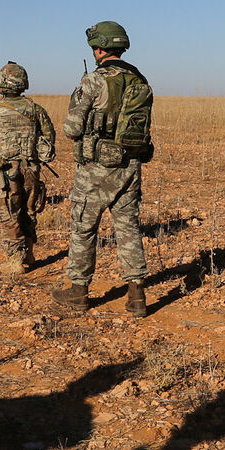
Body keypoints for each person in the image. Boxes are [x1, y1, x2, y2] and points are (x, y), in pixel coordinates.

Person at [51, 22, 154, 317]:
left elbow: (71, 129)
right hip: (131, 164)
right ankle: (137, 296)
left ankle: (79, 291)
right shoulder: (140, 80)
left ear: (98, 49)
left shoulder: (93, 81)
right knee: (128, 227)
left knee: (84, 227)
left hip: (96, 166)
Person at [0, 61, 56, 273]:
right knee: (29, 209)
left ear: (1, 83)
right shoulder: (36, 109)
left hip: (5, 170)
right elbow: (49, 137)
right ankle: (28, 253)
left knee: (9, 212)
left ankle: (14, 260)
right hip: (31, 167)